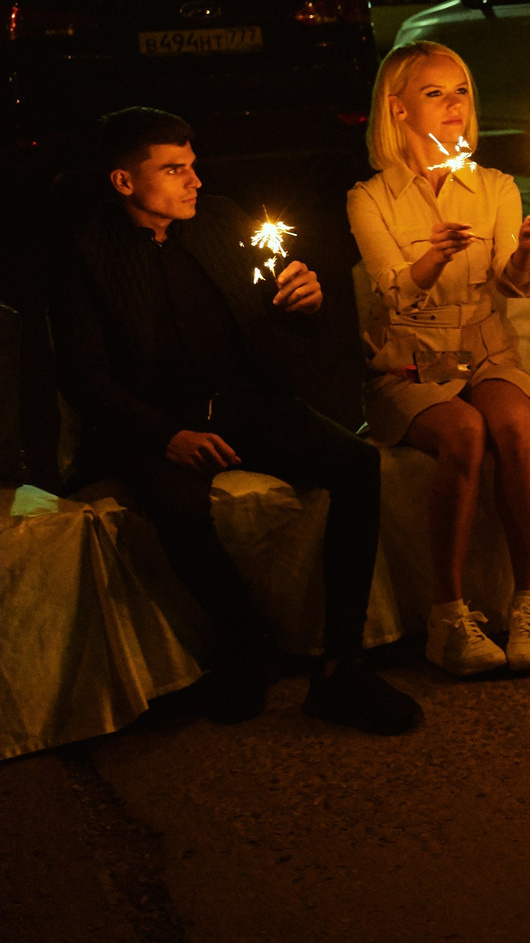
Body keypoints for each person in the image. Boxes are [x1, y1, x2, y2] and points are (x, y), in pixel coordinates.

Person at [50, 108, 420, 735]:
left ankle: (341, 666)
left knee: (356, 464)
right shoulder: (86, 252)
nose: (195, 180)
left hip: (244, 404)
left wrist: (305, 300)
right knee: (180, 508)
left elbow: (266, 316)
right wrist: (165, 437)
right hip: (154, 420)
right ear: (124, 183)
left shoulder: (219, 220)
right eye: (174, 169)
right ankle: (248, 642)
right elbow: (86, 377)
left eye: (193, 165)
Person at [348, 43, 530, 675]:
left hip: (484, 351)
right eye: (435, 93)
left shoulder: (495, 187)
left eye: (462, 91)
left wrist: (527, 250)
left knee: (512, 424)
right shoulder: (370, 197)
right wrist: (435, 256)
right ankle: (448, 616)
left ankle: (529, 604)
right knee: (465, 433)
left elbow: (512, 286)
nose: (454, 105)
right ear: (398, 109)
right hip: (408, 365)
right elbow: (393, 289)